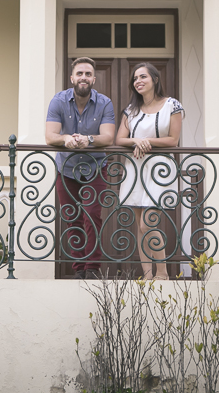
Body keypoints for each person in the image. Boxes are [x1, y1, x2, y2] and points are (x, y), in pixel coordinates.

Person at [46, 57, 116, 279]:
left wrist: (89, 140)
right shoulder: (58, 101)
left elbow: (108, 137)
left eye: (87, 74)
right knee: (71, 216)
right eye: (79, 74)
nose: (83, 78)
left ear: (94, 78)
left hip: (95, 166)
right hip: (65, 168)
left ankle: (92, 268)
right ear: (72, 78)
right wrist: (66, 138)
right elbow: (50, 136)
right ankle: (78, 269)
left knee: (92, 215)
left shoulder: (105, 103)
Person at [115, 63, 184, 281]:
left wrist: (147, 142)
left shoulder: (172, 105)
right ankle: (147, 274)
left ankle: (162, 273)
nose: (138, 81)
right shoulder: (131, 110)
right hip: (135, 167)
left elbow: (173, 140)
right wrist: (137, 140)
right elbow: (120, 139)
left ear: (155, 79)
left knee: (148, 222)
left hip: (160, 169)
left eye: (143, 76)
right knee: (139, 225)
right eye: (135, 78)